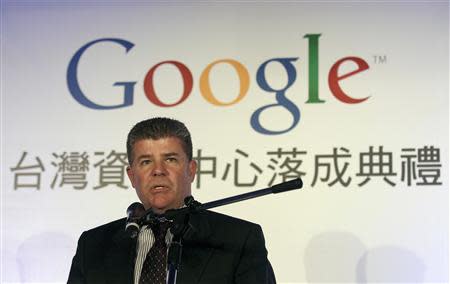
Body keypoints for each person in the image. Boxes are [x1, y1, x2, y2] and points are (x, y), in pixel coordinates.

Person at [67, 117, 276, 284]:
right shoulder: (93, 246)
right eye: (146, 161)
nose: (158, 171)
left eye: (170, 159)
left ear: (191, 170)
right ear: (132, 176)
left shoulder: (238, 240)